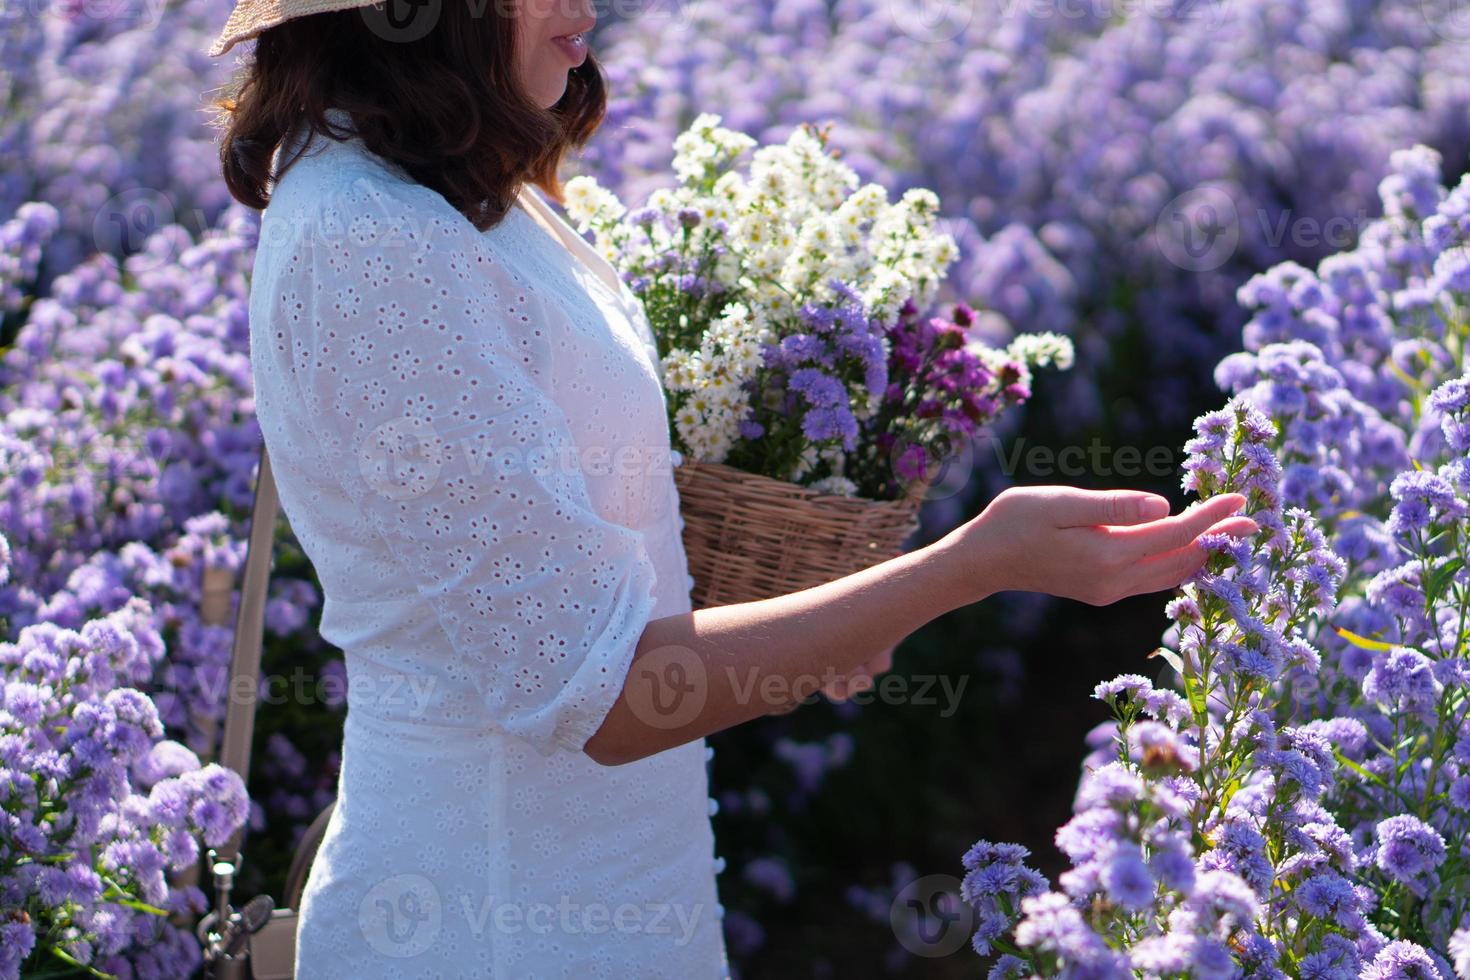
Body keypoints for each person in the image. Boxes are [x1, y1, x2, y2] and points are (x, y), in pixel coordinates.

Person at [207, 0, 1259, 975]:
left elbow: (566, 571)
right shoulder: (377, 243)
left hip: (590, 881)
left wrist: (826, 622)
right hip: (492, 914)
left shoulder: (449, 190)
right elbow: (604, 691)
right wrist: (967, 567)